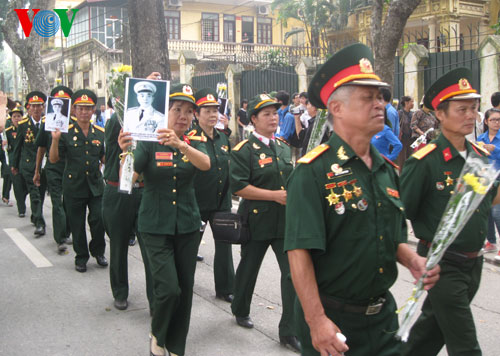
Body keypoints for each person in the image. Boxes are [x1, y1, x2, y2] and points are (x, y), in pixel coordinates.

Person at [284, 43, 440, 356]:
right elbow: (299, 252)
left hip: (383, 319)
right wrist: (316, 322)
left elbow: (387, 235)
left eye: (381, 96)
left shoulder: (384, 169)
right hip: (335, 324)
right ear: (337, 108)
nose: (379, 103)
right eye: (367, 97)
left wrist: (412, 260)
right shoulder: (313, 172)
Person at [400, 68, 500, 356]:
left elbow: (491, 200)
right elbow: (402, 210)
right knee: (465, 343)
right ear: (440, 114)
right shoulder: (425, 161)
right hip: (442, 264)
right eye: (462, 109)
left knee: (430, 332)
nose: (471, 115)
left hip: (473, 262)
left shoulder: (480, 157)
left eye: (473, 108)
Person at [119, 83, 210, 356]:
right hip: (154, 226)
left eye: (188, 111)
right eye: (176, 110)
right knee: (169, 289)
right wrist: (124, 151)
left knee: (185, 289)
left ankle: (176, 346)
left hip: (187, 226)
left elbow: (205, 164)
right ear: (164, 112)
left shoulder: (194, 143)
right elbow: (127, 181)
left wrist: (180, 144)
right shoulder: (147, 143)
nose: (183, 116)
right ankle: (158, 336)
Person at [229, 93, 300, 352]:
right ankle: (240, 308)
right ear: (254, 120)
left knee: (292, 274)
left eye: (275, 113)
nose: (273, 118)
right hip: (256, 220)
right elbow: (238, 187)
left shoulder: (282, 146)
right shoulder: (243, 150)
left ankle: (289, 330)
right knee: (249, 268)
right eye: (267, 114)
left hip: (284, 222)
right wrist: (274, 196)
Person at [102, 79, 155, 311]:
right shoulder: (118, 123)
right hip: (118, 191)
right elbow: (120, 117)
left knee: (152, 249)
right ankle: (120, 292)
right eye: (138, 94)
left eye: (148, 93)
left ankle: (156, 300)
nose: (144, 98)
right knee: (119, 245)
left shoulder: (154, 123)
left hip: (144, 192)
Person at [49, 89, 107, 273]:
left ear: (93, 110)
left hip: (96, 185)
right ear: (73, 110)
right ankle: (81, 257)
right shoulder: (64, 132)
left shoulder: (99, 132)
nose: (84, 112)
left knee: (98, 219)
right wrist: (55, 141)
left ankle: (98, 251)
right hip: (74, 186)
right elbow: (53, 159)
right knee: (77, 224)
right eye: (80, 108)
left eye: (88, 108)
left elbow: (105, 158)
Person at [191, 88, 235, 303]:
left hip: (221, 202)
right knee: (189, 247)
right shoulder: (190, 139)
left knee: (225, 246)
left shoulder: (222, 138)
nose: (212, 114)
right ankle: (183, 284)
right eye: (206, 110)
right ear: (196, 114)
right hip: (197, 202)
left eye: (215, 110)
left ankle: (226, 288)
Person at [34, 86, 73, 253]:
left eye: (63, 104)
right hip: (53, 168)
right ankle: (60, 238)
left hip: (71, 167)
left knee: (70, 202)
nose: (59, 107)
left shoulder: (75, 123)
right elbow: (41, 148)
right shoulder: (46, 123)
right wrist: (37, 171)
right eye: (56, 104)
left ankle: (66, 230)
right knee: (57, 202)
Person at [11, 92, 48, 236]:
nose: (36, 109)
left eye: (39, 106)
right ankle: (40, 223)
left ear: (43, 107)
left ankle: (35, 215)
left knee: (41, 193)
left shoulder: (47, 123)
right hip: (28, 165)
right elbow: (18, 146)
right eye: (33, 106)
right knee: (35, 193)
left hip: (44, 165)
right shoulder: (23, 125)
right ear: (29, 108)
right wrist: (14, 165)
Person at [477, 108, 500, 257]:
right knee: (486, 211)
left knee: (496, 212)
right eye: (493, 120)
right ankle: (490, 241)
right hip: (485, 177)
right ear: (486, 121)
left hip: (498, 178)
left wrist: (495, 150)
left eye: (499, 120)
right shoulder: (482, 138)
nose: (497, 123)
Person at [4, 106, 28, 217]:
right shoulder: (8, 131)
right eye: (14, 117)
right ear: (11, 119)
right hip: (14, 161)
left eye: (19, 116)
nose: (17, 119)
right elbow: (6, 148)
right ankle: (21, 210)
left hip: (25, 161)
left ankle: (21, 200)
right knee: (17, 186)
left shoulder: (27, 129)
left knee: (27, 186)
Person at [397, 95, 414, 167]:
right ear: (406, 103)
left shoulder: (413, 114)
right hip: (402, 140)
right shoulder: (400, 113)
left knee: (411, 159)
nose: (413, 103)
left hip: (411, 140)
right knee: (402, 161)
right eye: (411, 101)